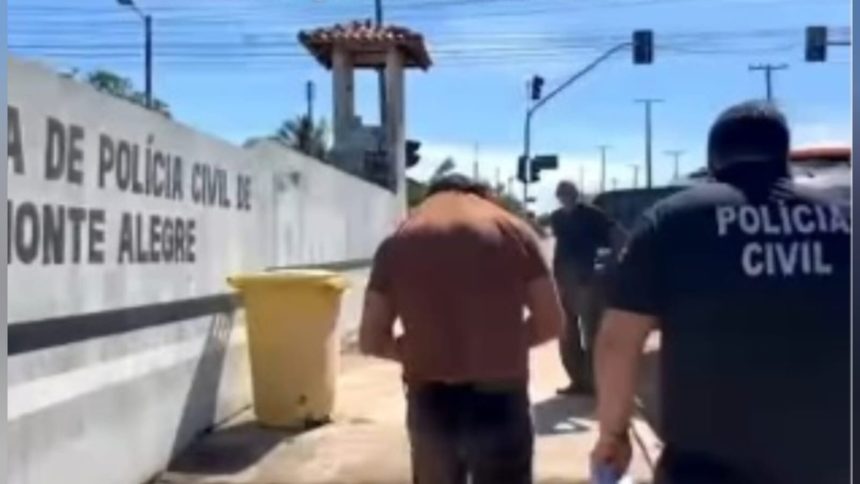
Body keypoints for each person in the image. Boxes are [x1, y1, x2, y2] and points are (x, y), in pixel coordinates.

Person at [592, 100, 850, 484]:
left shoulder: (671, 220)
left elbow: (619, 341)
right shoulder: (845, 216)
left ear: (714, 157)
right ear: (783, 154)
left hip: (705, 467)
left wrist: (613, 434)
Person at [359, 174, 564, 484]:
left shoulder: (399, 239)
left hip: (430, 395)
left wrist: (419, 350)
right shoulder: (513, 230)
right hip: (501, 392)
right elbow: (552, 321)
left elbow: (371, 339)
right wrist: (501, 344)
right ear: (482, 195)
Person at [550, 180, 625, 395]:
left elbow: (616, 237)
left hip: (589, 280)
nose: (565, 197)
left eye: (569, 193)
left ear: (576, 194)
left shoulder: (592, 215)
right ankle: (577, 380)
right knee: (567, 333)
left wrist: (605, 266)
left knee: (592, 331)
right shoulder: (557, 218)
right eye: (562, 194)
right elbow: (560, 248)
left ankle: (594, 381)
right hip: (565, 279)